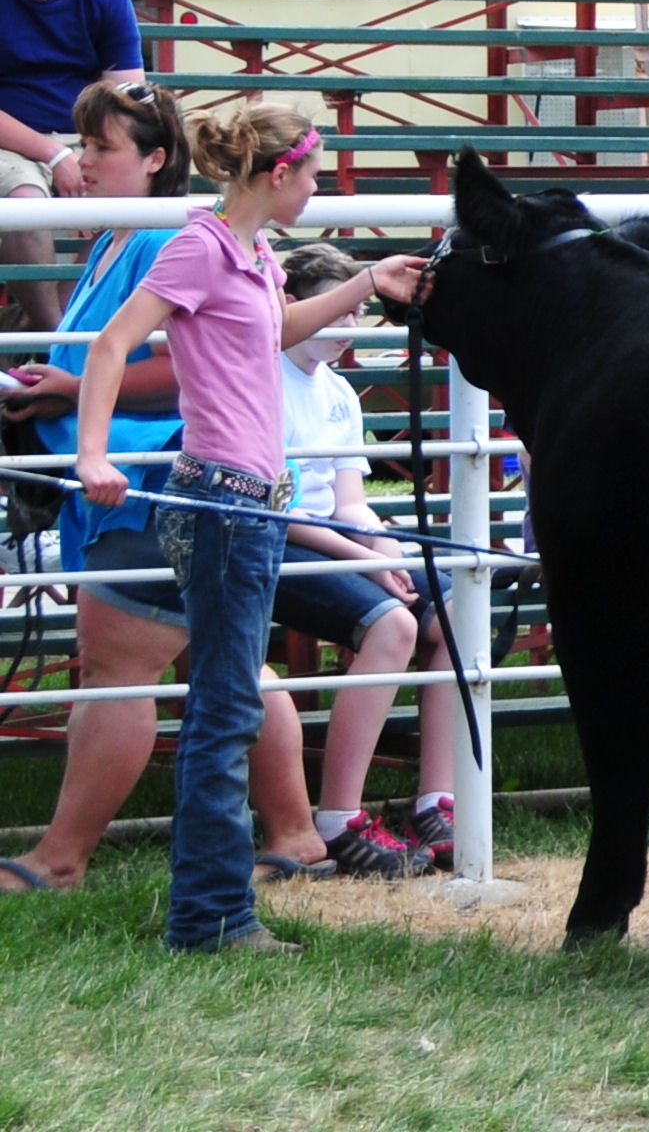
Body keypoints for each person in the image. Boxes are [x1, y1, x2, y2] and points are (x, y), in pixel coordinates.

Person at [74, 102, 424, 953]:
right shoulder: (200, 245)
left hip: (256, 504)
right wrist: (93, 454)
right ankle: (209, 917)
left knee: (225, 708)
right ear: (277, 175)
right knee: (224, 712)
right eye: (310, 174)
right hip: (225, 502)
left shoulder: (255, 252)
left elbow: (276, 332)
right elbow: (111, 347)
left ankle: (216, 913)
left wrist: (366, 284)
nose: (317, 187)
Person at [0, 81, 330, 896]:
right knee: (228, 663)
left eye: (101, 149)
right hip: (170, 480)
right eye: (82, 147)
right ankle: (294, 834)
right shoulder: (137, 238)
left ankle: (61, 858)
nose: (81, 163)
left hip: (158, 481)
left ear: (155, 161)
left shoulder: (166, 240)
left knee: (121, 666)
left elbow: (180, 364)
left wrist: (72, 397)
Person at [271, 241, 457, 879]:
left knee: (454, 611)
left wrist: (385, 547)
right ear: (295, 304)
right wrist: (368, 559)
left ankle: (438, 803)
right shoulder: (264, 380)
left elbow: (350, 502)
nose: (349, 327)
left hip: (337, 540)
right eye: (340, 311)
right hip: (278, 543)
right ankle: (340, 820)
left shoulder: (340, 394)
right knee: (395, 624)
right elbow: (285, 513)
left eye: (356, 314)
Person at [0, 0, 143, 332]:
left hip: (87, 134)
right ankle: (55, 340)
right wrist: (57, 153)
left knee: (132, 195)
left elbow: (128, 99)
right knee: (25, 200)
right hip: (10, 144)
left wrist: (94, 159)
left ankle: (60, 332)